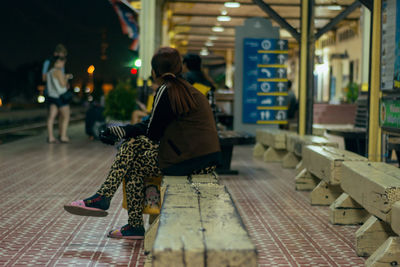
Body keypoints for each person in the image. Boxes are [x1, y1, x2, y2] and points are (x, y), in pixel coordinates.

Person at [64, 47, 221, 239]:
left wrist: (124, 133)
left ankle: (116, 208)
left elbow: (152, 132)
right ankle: (110, 203)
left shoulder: (166, 89)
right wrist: (123, 131)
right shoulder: (186, 88)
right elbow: (152, 125)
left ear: (155, 72)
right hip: (204, 159)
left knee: (133, 156)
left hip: (188, 161)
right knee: (134, 148)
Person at [46, 56, 73, 143]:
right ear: (58, 62)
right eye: (63, 63)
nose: (63, 65)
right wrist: (66, 77)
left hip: (52, 97)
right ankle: (63, 136)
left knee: (51, 117)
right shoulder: (58, 71)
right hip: (60, 97)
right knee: (66, 116)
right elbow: (62, 85)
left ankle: (51, 137)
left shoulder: (49, 72)